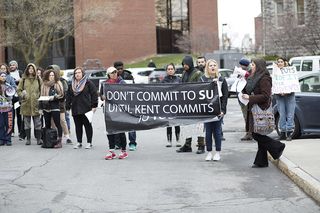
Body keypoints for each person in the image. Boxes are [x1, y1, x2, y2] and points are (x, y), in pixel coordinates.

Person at [242, 58, 285, 168]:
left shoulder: (265, 79)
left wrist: (250, 97)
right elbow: (248, 90)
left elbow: (266, 96)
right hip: (255, 109)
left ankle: (277, 146)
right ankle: (261, 161)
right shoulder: (254, 77)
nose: (251, 66)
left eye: (253, 64)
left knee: (256, 134)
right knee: (259, 134)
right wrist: (243, 81)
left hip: (261, 109)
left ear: (258, 66)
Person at [199, 59, 228, 161]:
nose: (212, 67)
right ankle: (209, 152)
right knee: (208, 132)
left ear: (216, 67)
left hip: (218, 110)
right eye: (210, 65)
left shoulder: (222, 79)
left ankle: (218, 152)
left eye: (214, 65)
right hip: (207, 111)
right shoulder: (202, 79)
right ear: (207, 67)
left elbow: (225, 96)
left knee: (217, 132)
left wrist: (223, 110)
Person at [176, 55, 204, 153]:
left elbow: (201, 87)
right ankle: (187, 145)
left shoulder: (198, 73)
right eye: (183, 64)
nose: (185, 66)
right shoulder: (184, 73)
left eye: (186, 64)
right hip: (186, 103)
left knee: (198, 124)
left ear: (190, 63)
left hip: (196, 103)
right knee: (187, 124)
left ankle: (201, 145)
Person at [66, 67, 98, 149]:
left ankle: (89, 142)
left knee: (87, 125)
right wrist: (68, 107)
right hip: (76, 108)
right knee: (78, 126)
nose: (77, 74)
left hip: (86, 108)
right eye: (76, 73)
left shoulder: (88, 83)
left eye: (79, 73)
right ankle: (79, 142)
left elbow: (94, 94)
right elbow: (68, 96)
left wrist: (94, 106)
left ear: (83, 74)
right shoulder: (72, 85)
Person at [100, 67, 128, 160]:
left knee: (121, 130)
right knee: (110, 130)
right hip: (109, 111)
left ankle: (123, 151)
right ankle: (111, 150)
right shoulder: (104, 84)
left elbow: (128, 93)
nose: (114, 74)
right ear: (108, 74)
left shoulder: (121, 82)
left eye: (115, 72)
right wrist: (102, 97)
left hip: (120, 110)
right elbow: (101, 95)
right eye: (112, 73)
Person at [16, 63, 43, 145]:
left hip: (36, 104)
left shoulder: (38, 79)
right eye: (29, 68)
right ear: (27, 69)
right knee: (26, 123)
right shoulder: (23, 79)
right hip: (26, 104)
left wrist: (39, 96)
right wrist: (23, 96)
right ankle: (28, 139)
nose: (31, 70)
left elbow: (43, 89)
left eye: (32, 68)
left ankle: (39, 139)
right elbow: (18, 90)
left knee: (38, 122)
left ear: (34, 69)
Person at [114, 61, 137, 151]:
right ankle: (118, 143)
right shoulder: (112, 78)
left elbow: (134, 89)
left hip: (128, 104)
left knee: (131, 124)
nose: (120, 70)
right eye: (117, 69)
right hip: (117, 105)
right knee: (117, 125)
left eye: (121, 69)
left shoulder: (129, 77)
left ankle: (132, 143)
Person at [39, 69, 64, 148]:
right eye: (50, 75)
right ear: (47, 76)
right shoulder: (44, 84)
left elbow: (61, 96)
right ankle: (48, 141)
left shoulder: (58, 83)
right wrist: (40, 108)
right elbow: (41, 97)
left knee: (57, 124)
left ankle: (59, 141)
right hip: (46, 107)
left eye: (53, 75)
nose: (51, 77)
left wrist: (54, 98)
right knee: (47, 125)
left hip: (55, 107)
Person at [47, 65, 72, 144]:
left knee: (62, 120)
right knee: (52, 122)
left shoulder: (62, 81)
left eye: (53, 70)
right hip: (51, 104)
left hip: (60, 104)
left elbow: (66, 91)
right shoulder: (47, 82)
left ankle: (67, 137)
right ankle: (56, 136)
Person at [160, 63, 182, 147]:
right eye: (168, 69)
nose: (170, 70)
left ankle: (178, 139)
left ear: (174, 70)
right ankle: (169, 140)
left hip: (176, 105)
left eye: (171, 69)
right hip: (167, 105)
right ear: (166, 71)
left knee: (177, 123)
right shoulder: (163, 81)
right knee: (168, 123)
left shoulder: (179, 80)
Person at [274, 57, 295, 141]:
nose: (279, 63)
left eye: (281, 62)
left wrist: (286, 91)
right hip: (279, 96)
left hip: (290, 96)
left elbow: (293, 83)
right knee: (282, 114)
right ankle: (282, 133)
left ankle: (289, 132)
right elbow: (274, 84)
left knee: (290, 114)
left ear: (285, 62)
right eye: (278, 62)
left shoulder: (290, 72)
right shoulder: (275, 72)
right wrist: (278, 91)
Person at [238, 57, 253, 141]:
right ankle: (249, 132)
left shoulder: (250, 72)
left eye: (242, 65)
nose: (240, 66)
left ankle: (249, 133)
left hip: (248, 98)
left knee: (249, 117)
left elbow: (250, 85)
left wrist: (244, 80)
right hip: (242, 98)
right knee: (245, 116)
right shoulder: (241, 72)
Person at [9, 60, 23, 139]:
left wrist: (20, 80)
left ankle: (20, 131)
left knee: (19, 115)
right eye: (10, 65)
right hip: (11, 97)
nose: (12, 66)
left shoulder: (20, 73)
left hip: (19, 97)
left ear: (16, 66)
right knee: (11, 116)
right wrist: (14, 81)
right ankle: (12, 131)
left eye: (13, 65)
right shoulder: (8, 74)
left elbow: (24, 82)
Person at [0, 71, 14, 146]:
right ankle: (1, 139)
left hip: (8, 108)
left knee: (9, 124)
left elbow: (11, 96)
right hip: (0, 109)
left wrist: (8, 95)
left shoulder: (8, 86)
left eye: (4, 76)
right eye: (2, 76)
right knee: (1, 125)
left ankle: (8, 139)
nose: (3, 77)